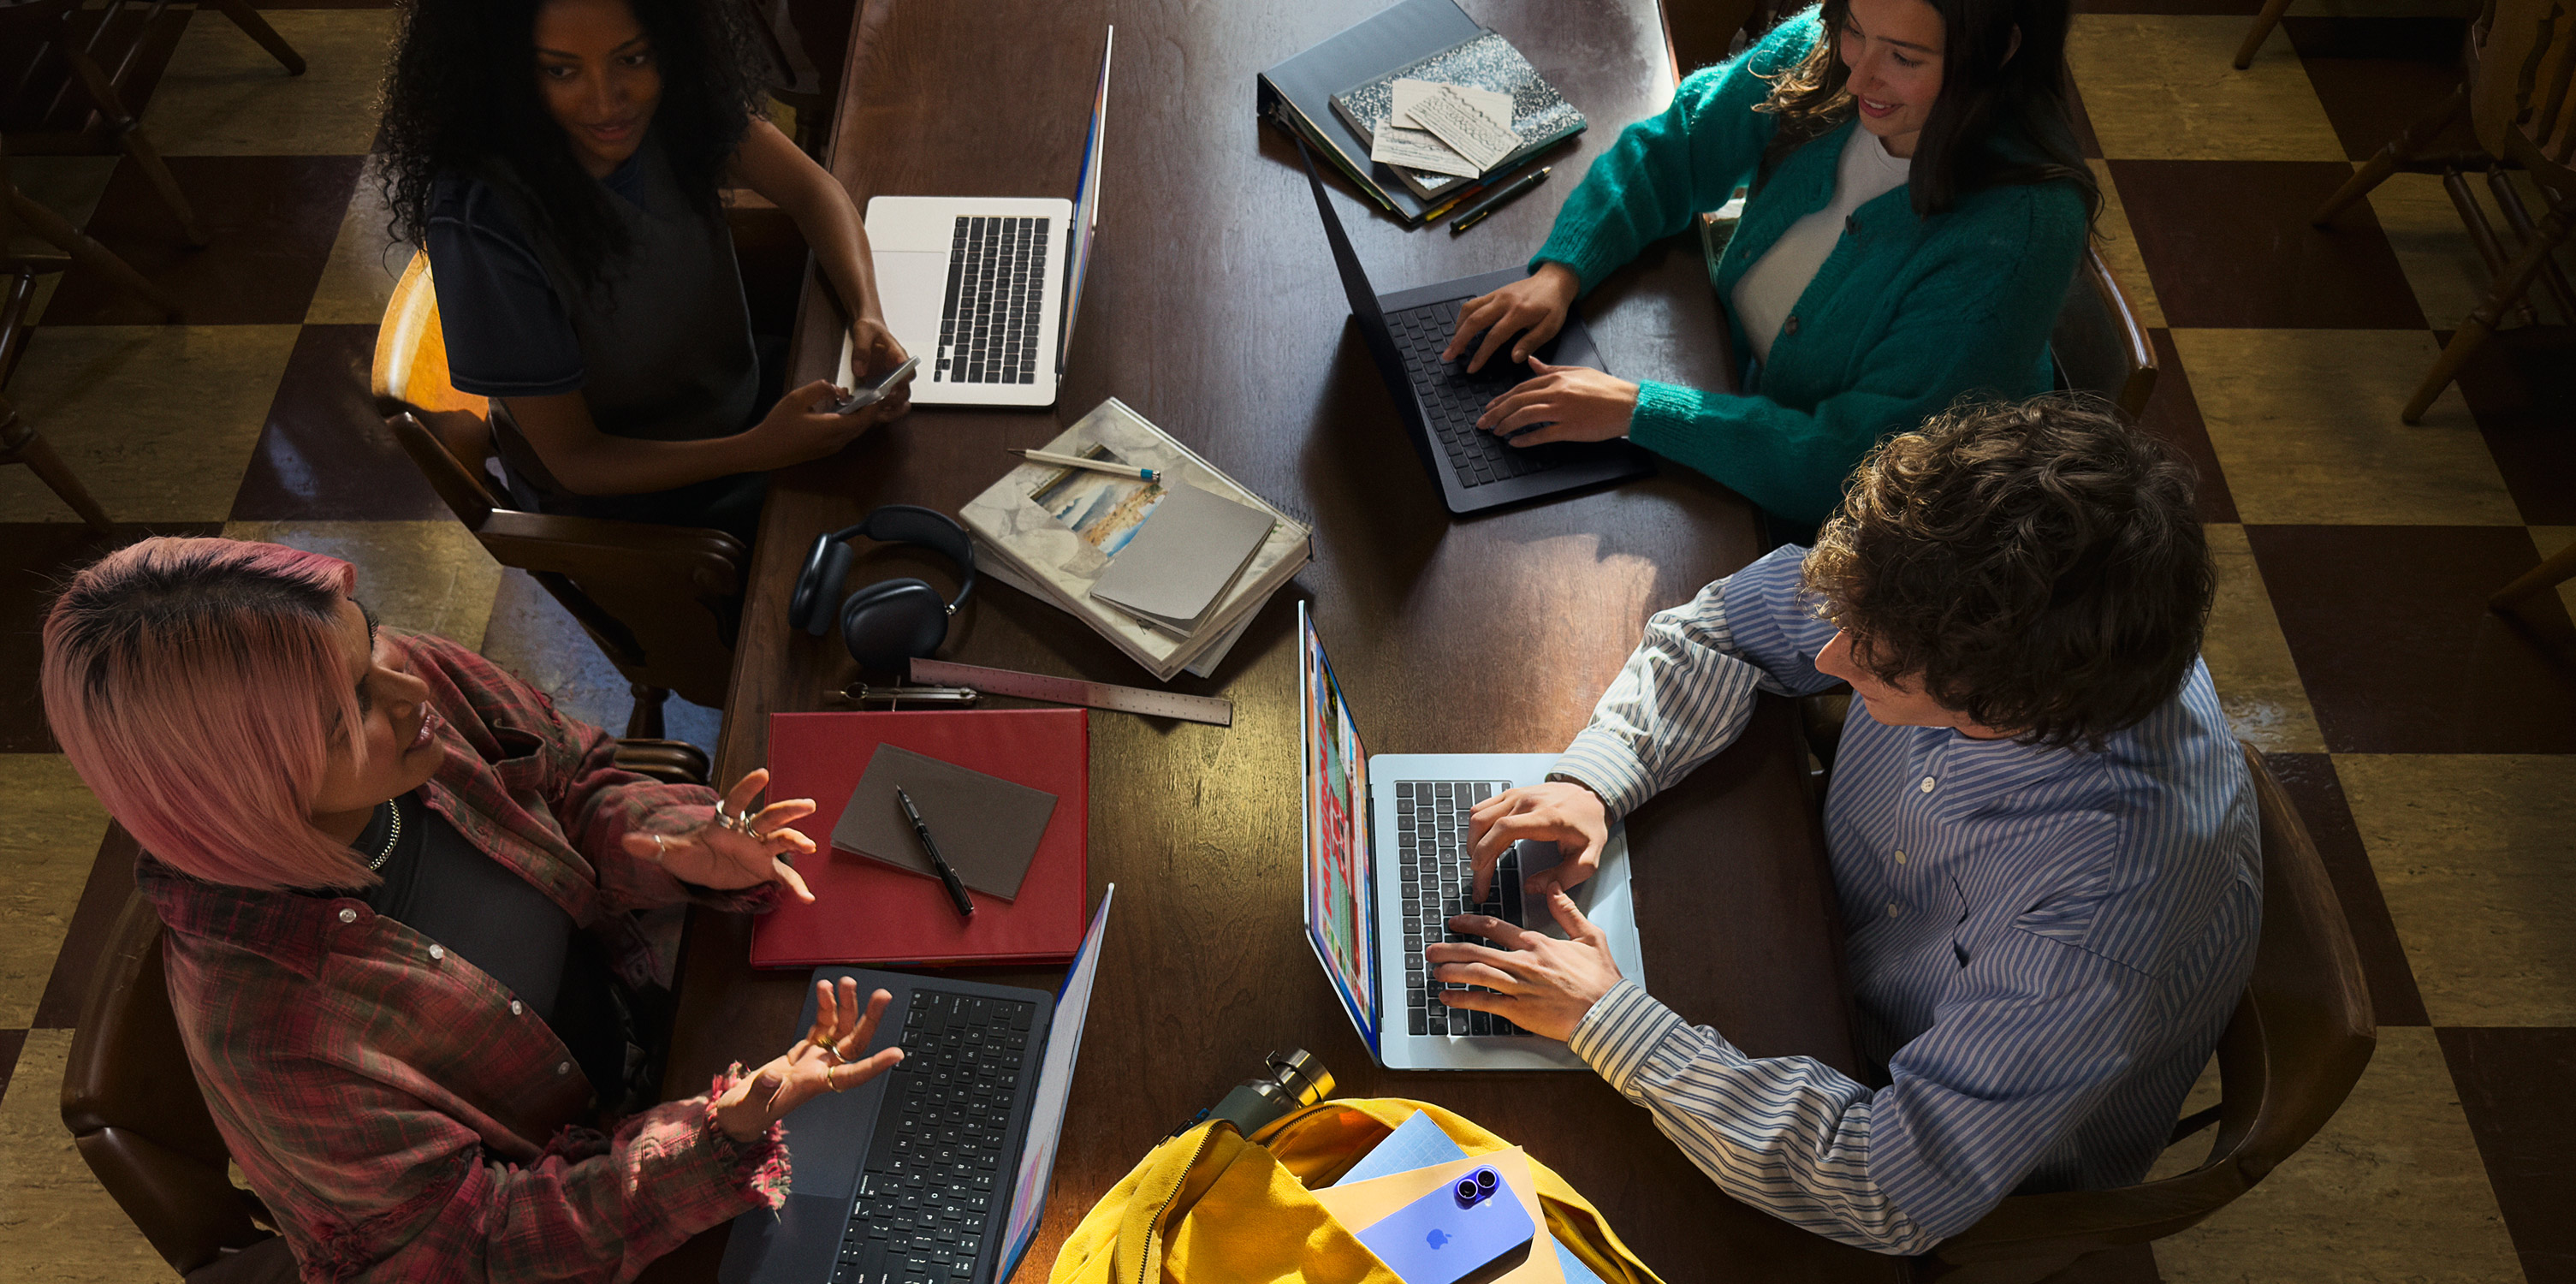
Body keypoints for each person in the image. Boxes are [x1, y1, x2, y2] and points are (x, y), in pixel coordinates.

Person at [1429, 395, 2258, 1253]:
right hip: (1815, 948)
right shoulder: (1980, 590)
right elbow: (1731, 627)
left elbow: (1883, 1188)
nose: (1826, 659)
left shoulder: (2103, 908)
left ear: (2011, 707)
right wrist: (1594, 781)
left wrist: (1606, 1021)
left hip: (1924, 1144)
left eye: (1878, 666)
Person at [40, 537, 900, 1280]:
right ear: (241, 791)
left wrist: (680, 845)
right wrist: (714, 1140)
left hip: (649, 1028)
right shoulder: (271, 1034)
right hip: (598, 1190)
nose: (408, 687)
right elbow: (473, 1247)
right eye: (348, 715)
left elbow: (574, 779)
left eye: (371, 635)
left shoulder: (405, 699)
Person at [1443, 0, 2097, 530]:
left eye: (1904, 57)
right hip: (1741, 404)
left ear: (1999, 50)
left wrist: (1639, 410)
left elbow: (1856, 466)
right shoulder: (1828, 48)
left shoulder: (2017, 236)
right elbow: (1680, 145)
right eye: (1855, 29)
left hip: (1855, 533)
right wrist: (1561, 273)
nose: (1859, 77)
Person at [379, 0, 909, 546]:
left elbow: (812, 191)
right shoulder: (481, 221)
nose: (607, 102)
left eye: (632, 59)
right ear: (504, 66)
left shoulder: (680, 99)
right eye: (560, 70)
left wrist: (866, 312)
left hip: (745, 404)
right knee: (882, 522)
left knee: (909, 457)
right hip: (640, 505)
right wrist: (760, 449)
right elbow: (576, 461)